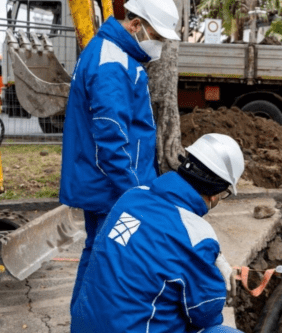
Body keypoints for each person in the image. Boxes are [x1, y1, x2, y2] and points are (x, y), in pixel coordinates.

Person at [60, 0, 181, 310]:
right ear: (136, 25)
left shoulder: (114, 54)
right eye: (158, 36)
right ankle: (91, 323)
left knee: (100, 255)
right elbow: (111, 140)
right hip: (111, 191)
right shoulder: (111, 65)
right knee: (107, 261)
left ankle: (86, 323)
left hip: (107, 187)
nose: (160, 45)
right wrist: (133, 193)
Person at [70, 134, 248, 333]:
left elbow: (136, 246)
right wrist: (212, 276)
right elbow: (205, 313)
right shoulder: (196, 236)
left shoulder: (131, 198)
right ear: (216, 193)